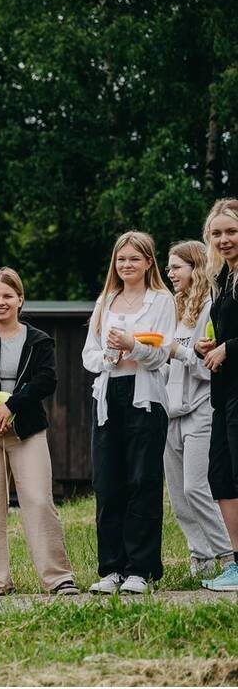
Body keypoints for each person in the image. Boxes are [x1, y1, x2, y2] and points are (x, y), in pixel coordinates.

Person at [0, 267, 78, 596]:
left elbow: (46, 379)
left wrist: (12, 407)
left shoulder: (39, 340)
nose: (0, 302)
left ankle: (57, 577)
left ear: (20, 299)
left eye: (7, 296)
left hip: (26, 429)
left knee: (38, 500)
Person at [82, 231, 175, 594]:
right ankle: (112, 569)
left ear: (149, 262)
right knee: (108, 482)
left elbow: (163, 352)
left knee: (143, 481)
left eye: (134, 259)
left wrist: (133, 346)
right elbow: (89, 354)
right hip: (108, 396)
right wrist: (109, 355)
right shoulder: (106, 300)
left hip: (145, 398)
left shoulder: (161, 301)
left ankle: (141, 569)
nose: (127, 265)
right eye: (122, 259)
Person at [163, 241, 233, 579]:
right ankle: (200, 557)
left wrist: (175, 350)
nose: (170, 273)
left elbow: (208, 361)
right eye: (169, 267)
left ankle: (227, 555)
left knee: (196, 487)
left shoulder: (210, 307)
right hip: (169, 411)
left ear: (195, 267)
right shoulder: (171, 308)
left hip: (201, 406)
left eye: (177, 267)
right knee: (178, 496)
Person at [196, 198, 238, 591]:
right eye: (217, 233)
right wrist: (208, 347)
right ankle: (236, 563)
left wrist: (230, 347)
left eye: (231, 231)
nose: (224, 240)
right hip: (224, 394)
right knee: (221, 476)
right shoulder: (222, 280)